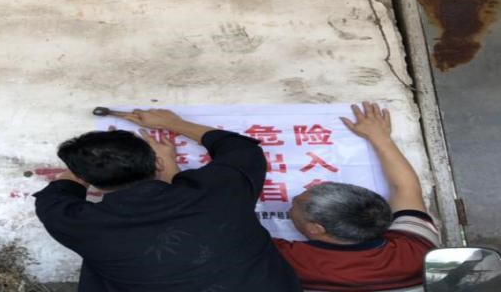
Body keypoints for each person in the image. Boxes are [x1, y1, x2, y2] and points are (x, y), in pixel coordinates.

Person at [34, 109, 302, 292]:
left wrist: (87, 165)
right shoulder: (220, 189)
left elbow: (59, 190)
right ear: (157, 162)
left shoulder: (78, 223)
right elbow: (240, 148)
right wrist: (173, 124)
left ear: (87, 179)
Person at [274, 102, 441, 291]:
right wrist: (381, 138)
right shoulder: (416, 249)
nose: (291, 205)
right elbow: (405, 188)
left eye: (295, 205)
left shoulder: (289, 261)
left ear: (315, 228)